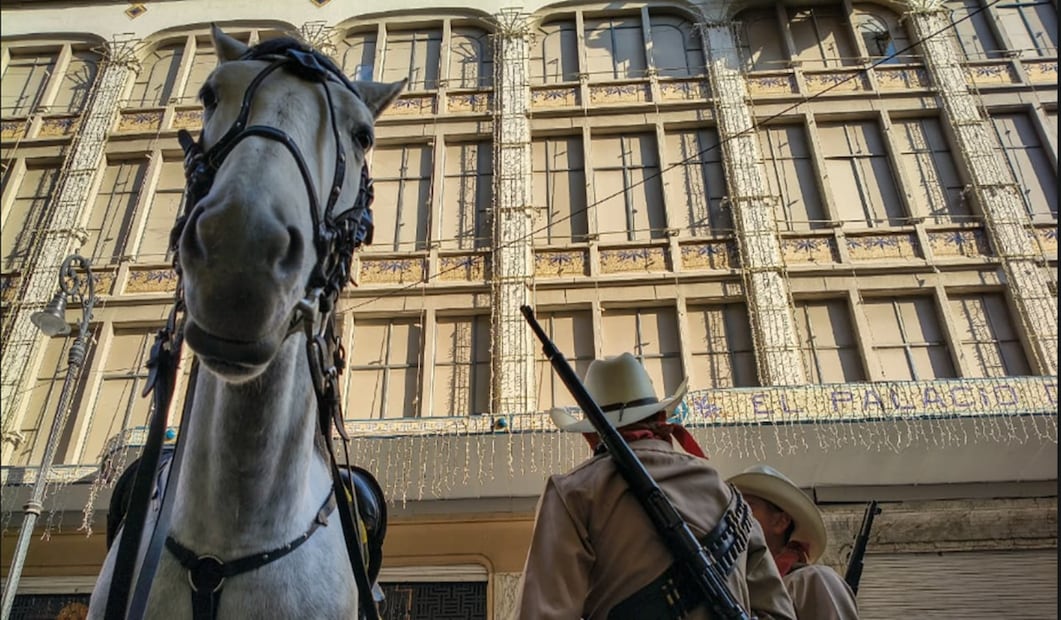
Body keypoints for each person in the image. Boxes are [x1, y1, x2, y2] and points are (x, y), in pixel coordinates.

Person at [517, 352, 796, 619]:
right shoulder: (730, 498)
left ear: (590, 435)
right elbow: (778, 612)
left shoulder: (573, 492)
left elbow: (542, 613)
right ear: (661, 418)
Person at [727, 465, 859, 620]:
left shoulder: (811, 582)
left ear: (781, 522)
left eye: (748, 508)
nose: (736, 517)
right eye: (735, 509)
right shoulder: (736, 589)